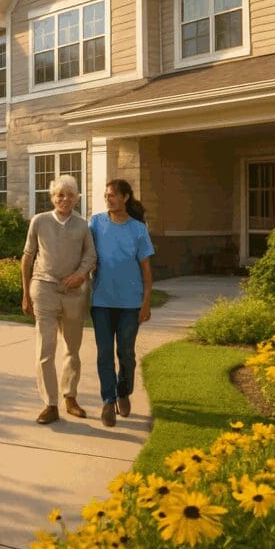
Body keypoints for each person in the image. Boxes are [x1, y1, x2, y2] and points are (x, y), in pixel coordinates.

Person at [21, 174, 97, 425]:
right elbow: (28, 257)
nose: (64, 199)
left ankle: (70, 397)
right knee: (45, 349)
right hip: (44, 289)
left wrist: (80, 275)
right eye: (59, 195)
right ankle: (50, 403)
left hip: (75, 293)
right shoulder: (39, 221)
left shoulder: (82, 225)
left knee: (72, 349)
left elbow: (90, 256)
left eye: (70, 195)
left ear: (77, 198)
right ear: (52, 197)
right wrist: (25, 294)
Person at [88, 179, 155, 428]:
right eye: (106, 196)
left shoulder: (138, 229)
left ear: (125, 197)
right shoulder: (95, 223)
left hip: (130, 303)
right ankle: (108, 400)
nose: (108, 199)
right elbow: (85, 252)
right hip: (102, 301)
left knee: (126, 353)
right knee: (104, 353)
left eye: (113, 195)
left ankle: (124, 392)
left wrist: (145, 303)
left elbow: (146, 270)